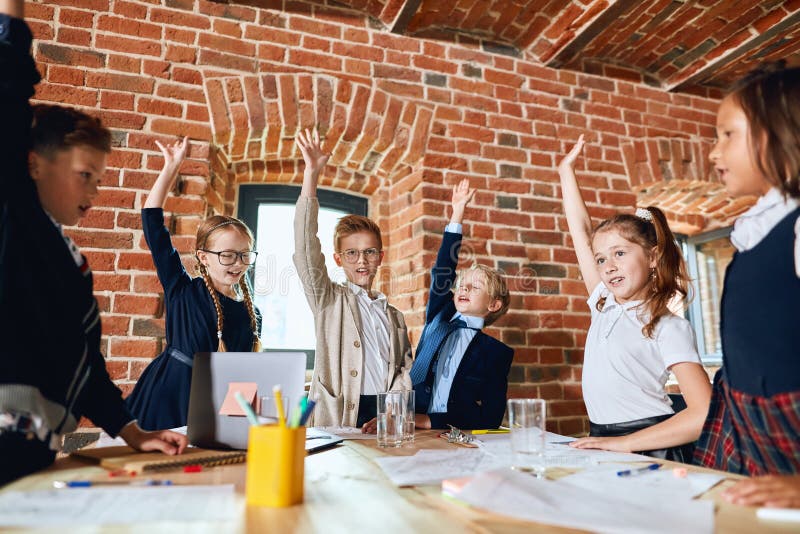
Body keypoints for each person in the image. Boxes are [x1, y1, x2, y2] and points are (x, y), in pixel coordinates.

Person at [0, 0, 186, 486]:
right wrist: (11, 21)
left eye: (99, 179)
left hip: (33, 460)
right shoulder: (11, 218)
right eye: (85, 175)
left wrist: (130, 430)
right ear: (35, 164)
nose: (94, 192)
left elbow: (87, 366)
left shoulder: (71, 261)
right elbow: (7, 84)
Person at [559, 134, 711, 462]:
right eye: (601, 259)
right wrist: (565, 173)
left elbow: (702, 414)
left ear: (653, 258)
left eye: (620, 253)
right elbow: (580, 234)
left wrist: (625, 443)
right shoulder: (603, 303)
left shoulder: (667, 325)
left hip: (652, 444)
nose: (608, 266)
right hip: (602, 439)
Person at [693, 64, 800, 508]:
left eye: (727, 135)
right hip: (753, 442)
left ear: (778, 132)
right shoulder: (756, 232)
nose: (713, 153)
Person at [125, 137, 262, 430]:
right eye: (227, 255)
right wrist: (171, 168)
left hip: (215, 409)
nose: (237, 263)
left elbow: (246, 378)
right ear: (204, 256)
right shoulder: (182, 289)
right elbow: (152, 224)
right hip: (167, 398)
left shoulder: (252, 313)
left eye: (244, 255)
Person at [294, 128, 412, 428]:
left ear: (380, 257)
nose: (362, 260)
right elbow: (306, 248)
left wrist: (392, 412)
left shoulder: (395, 317)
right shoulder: (328, 300)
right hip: (339, 412)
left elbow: (402, 371)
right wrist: (311, 174)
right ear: (338, 259)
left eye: (370, 252)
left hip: (383, 414)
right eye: (352, 253)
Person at [408, 179, 513, 430]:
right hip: (408, 424)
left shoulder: (496, 354)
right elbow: (444, 270)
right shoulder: (440, 316)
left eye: (475, 287)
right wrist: (457, 213)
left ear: (494, 305)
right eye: (463, 284)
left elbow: (490, 417)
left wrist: (430, 421)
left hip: (451, 432)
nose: (464, 288)